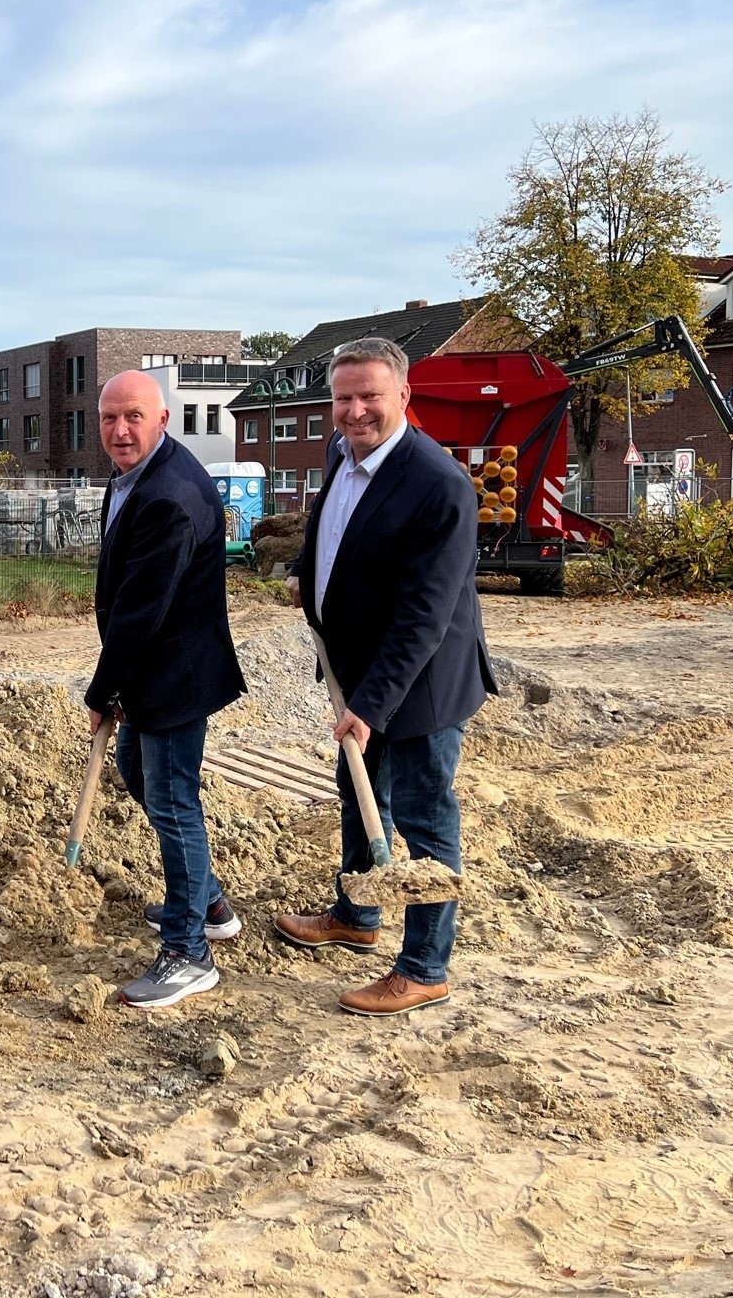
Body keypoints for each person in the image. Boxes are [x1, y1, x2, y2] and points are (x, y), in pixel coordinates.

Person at [275, 337, 494, 1016]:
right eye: (344, 398)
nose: (356, 410)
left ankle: (425, 967)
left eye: (370, 396)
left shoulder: (439, 484)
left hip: (421, 681)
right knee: (358, 794)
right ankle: (357, 915)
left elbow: (424, 616)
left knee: (426, 823)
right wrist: (304, 576)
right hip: (358, 669)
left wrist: (370, 706)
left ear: (404, 396)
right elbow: (332, 533)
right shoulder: (341, 451)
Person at [85, 370, 246, 1009]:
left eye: (133, 417)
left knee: (174, 801)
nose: (120, 430)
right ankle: (207, 903)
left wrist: (104, 688)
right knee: (138, 771)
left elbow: (140, 611)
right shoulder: (136, 479)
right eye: (108, 419)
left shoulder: (169, 496)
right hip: (155, 666)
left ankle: (188, 951)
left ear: (163, 420)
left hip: (175, 670)